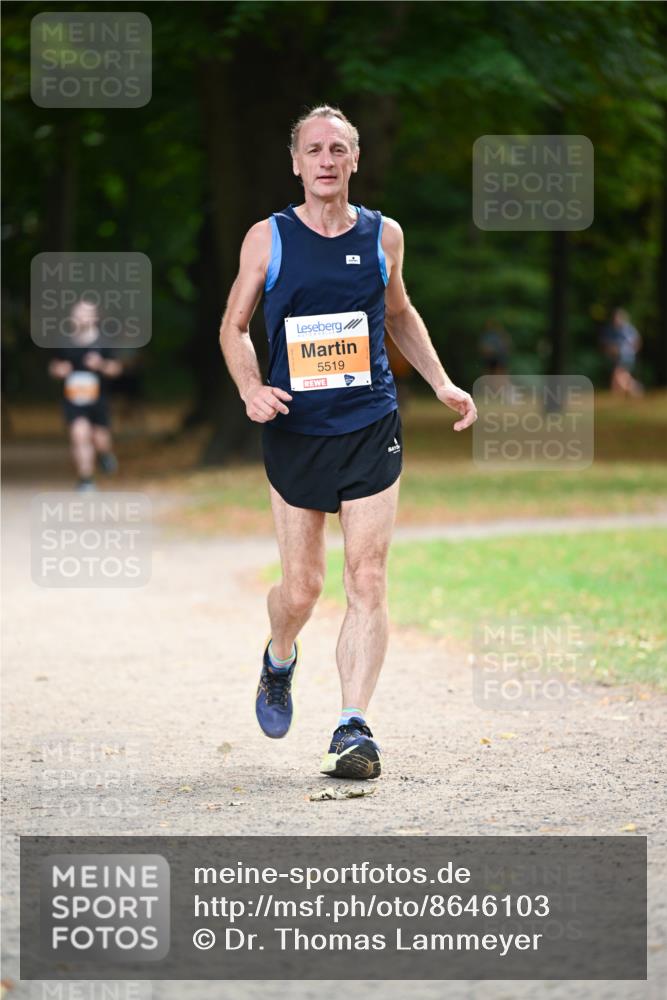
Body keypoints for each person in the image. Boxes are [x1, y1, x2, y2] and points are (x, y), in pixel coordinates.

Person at [219, 105, 477, 779]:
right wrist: (251, 388)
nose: (326, 160)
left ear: (354, 160)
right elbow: (234, 327)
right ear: (296, 162)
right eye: (314, 149)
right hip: (295, 432)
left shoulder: (382, 235)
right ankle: (279, 657)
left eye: (338, 148)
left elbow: (398, 311)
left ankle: (352, 726)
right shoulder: (267, 239)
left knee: (366, 577)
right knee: (302, 590)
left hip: (369, 424)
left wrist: (442, 382)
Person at [48, 299, 122, 491]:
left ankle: (105, 455)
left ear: (95, 318)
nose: (82, 317)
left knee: (100, 438)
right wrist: (59, 370)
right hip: (73, 399)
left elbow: (116, 368)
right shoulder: (64, 342)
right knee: (80, 436)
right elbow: (54, 366)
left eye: (86, 313)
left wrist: (101, 365)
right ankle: (86, 479)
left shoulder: (104, 342)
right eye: (78, 313)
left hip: (98, 399)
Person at [602, 308, 643, 397]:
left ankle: (635, 389)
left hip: (626, 357)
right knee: (619, 377)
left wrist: (631, 352)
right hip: (620, 357)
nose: (616, 320)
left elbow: (636, 342)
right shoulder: (616, 330)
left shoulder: (628, 330)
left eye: (618, 318)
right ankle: (618, 396)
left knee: (618, 376)